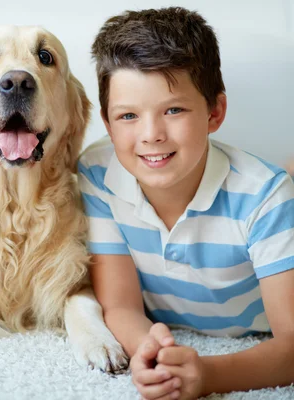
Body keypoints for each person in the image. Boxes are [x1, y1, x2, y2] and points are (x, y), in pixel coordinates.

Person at [80, 7, 294, 399]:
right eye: (127, 116)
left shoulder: (266, 197)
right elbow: (122, 307)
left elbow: (292, 346)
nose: (151, 135)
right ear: (108, 126)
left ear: (214, 112)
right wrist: (154, 353)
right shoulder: (96, 176)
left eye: (173, 110)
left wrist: (207, 375)